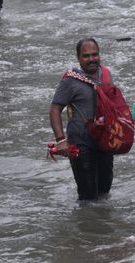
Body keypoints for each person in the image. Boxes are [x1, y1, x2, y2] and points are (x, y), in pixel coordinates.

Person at [49, 38, 115, 200]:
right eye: (86, 56)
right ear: (78, 58)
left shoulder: (106, 74)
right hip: (81, 144)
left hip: (105, 142)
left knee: (104, 192)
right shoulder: (70, 80)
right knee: (88, 198)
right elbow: (55, 110)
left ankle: (102, 224)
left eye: (95, 54)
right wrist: (60, 140)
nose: (92, 59)